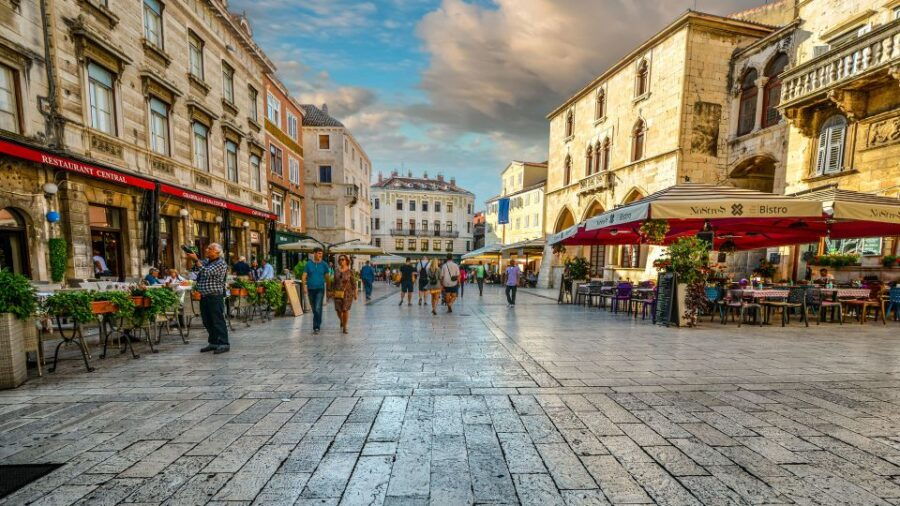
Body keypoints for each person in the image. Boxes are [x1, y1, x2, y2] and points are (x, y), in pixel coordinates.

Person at [186, 243, 229, 354]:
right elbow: (196, 269)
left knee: (218, 320)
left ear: (217, 252)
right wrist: (192, 257)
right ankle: (214, 342)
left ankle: (224, 343)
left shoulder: (221, 263)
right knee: (207, 321)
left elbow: (206, 272)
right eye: (208, 248)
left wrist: (196, 260)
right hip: (204, 296)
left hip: (215, 296)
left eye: (210, 249)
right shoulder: (207, 261)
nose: (207, 249)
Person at [302, 247, 330, 334]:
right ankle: (318, 321)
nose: (320, 255)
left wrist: (329, 288)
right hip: (311, 289)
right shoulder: (308, 264)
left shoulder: (324, 264)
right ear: (314, 254)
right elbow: (304, 276)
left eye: (321, 254)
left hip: (320, 289)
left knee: (318, 308)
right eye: (318, 253)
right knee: (314, 308)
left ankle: (316, 327)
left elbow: (327, 277)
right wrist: (304, 287)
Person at [331, 255, 358, 333]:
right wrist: (332, 292)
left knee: (345, 310)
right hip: (337, 293)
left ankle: (345, 327)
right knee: (338, 310)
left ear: (346, 261)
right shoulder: (336, 270)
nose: (341, 261)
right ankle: (342, 320)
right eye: (340, 260)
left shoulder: (350, 271)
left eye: (343, 259)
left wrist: (355, 293)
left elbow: (354, 283)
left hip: (347, 294)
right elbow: (334, 282)